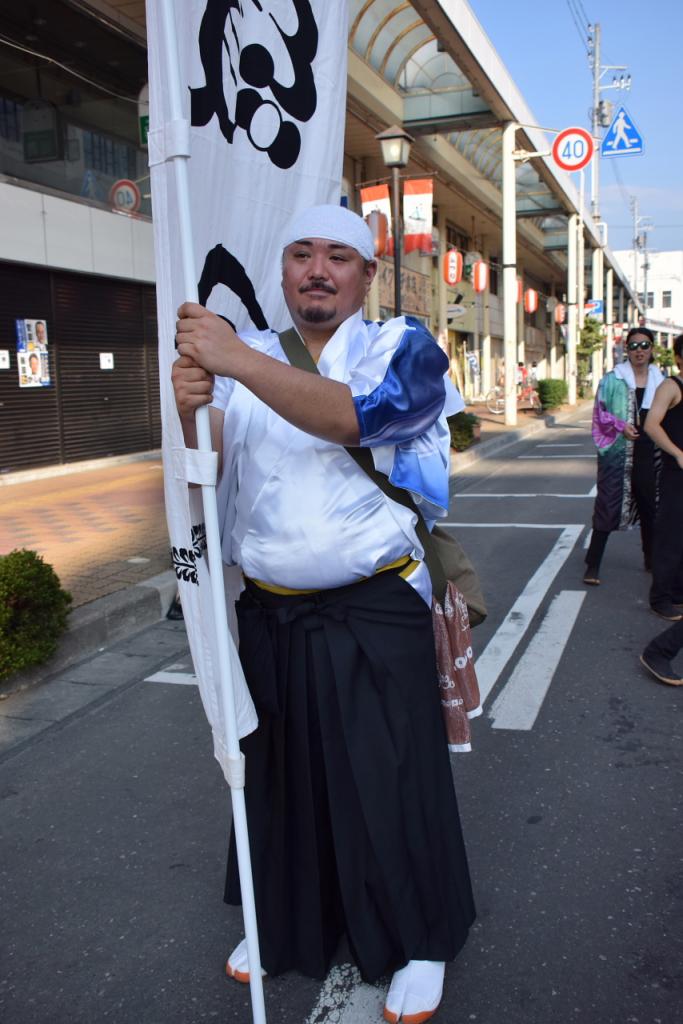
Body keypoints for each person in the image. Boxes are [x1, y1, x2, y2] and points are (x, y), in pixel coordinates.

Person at [172, 205, 475, 1023]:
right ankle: (282, 926)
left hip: (373, 608)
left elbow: (360, 419)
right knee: (280, 781)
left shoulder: (400, 347)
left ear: (365, 275)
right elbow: (212, 470)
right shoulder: (253, 358)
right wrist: (190, 403)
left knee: (390, 777)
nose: (316, 269)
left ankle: (419, 938)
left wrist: (229, 357)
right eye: (300, 253)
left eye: (337, 256)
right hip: (271, 612)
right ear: (282, 272)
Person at [584, 327, 664, 585]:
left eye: (644, 345)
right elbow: (600, 412)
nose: (639, 351)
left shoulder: (661, 381)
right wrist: (621, 426)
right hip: (617, 454)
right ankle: (592, 565)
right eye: (633, 346)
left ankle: (651, 559)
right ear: (625, 350)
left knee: (650, 507)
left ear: (652, 349)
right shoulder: (613, 379)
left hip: (650, 453)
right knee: (607, 505)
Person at [644, 334, 683, 622]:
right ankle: (660, 598)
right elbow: (651, 424)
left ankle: (678, 591)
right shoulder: (671, 386)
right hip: (675, 473)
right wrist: (678, 453)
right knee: (671, 535)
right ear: (679, 358)